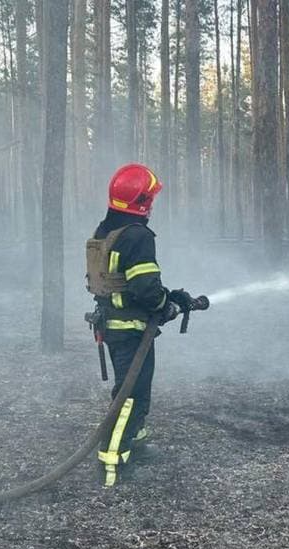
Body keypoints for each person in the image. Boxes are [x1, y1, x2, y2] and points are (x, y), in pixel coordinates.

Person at [85, 163, 188, 487]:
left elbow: (128, 281)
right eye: (150, 200)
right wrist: (164, 305)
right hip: (129, 330)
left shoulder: (108, 229)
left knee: (135, 391)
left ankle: (136, 443)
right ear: (141, 202)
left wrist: (170, 296)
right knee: (131, 396)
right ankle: (112, 462)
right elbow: (144, 288)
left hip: (116, 325)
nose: (153, 206)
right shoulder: (138, 236)